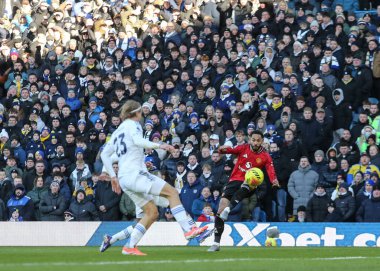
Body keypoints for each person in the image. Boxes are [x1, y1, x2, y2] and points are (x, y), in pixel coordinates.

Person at [99, 100, 207, 256]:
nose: (142, 114)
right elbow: (138, 141)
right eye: (141, 112)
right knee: (172, 193)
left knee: (152, 212)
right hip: (135, 174)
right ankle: (189, 230)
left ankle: (129, 247)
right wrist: (159, 145)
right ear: (136, 113)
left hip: (124, 179)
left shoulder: (117, 132)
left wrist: (112, 176)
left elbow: (104, 154)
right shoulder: (134, 124)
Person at [204, 130, 279, 252]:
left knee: (246, 184)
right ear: (250, 139)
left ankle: (228, 209)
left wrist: (274, 179)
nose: (255, 142)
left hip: (251, 183)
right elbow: (231, 150)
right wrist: (223, 149)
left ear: (262, 141)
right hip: (234, 180)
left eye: (258, 140)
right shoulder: (243, 148)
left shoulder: (265, 155)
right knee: (220, 209)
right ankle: (216, 243)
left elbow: (270, 169)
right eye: (253, 140)